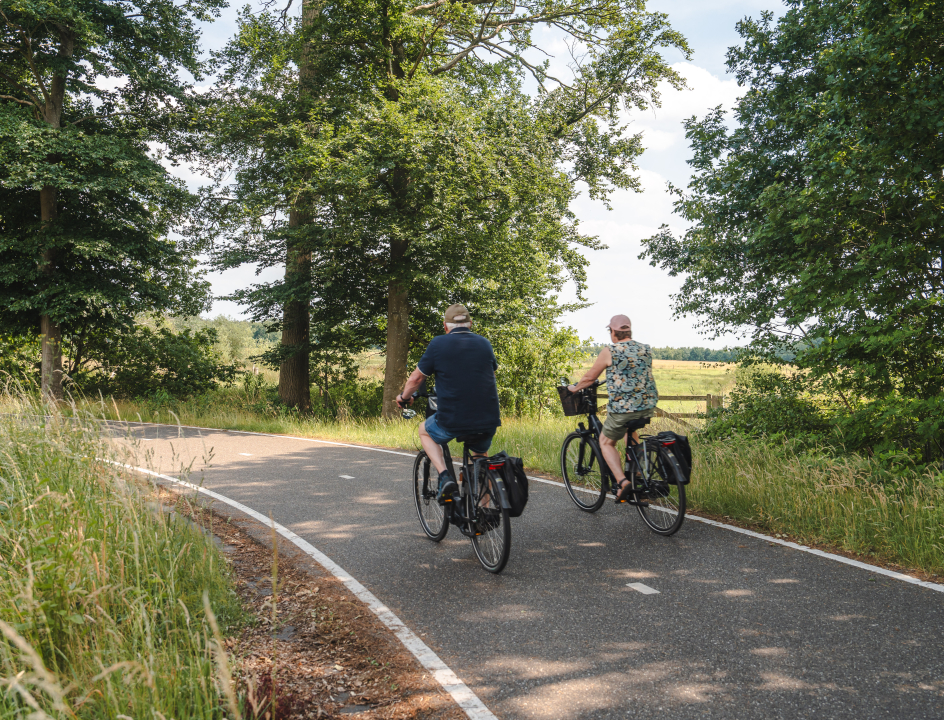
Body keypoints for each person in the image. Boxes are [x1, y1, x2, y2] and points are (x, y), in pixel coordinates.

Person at [397, 304, 501, 504]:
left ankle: (445, 476)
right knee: (481, 455)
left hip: (453, 419)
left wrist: (403, 397)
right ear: (470, 324)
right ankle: (484, 510)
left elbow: (416, 380)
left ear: (445, 326)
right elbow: (490, 374)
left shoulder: (438, 344)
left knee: (424, 431)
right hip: (488, 418)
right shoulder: (484, 343)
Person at [567, 314, 658, 502]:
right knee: (630, 432)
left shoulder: (610, 351)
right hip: (647, 406)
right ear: (629, 330)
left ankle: (623, 482)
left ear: (613, 332)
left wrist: (574, 388)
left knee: (606, 442)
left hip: (623, 410)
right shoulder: (645, 349)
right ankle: (637, 474)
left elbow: (590, 377)